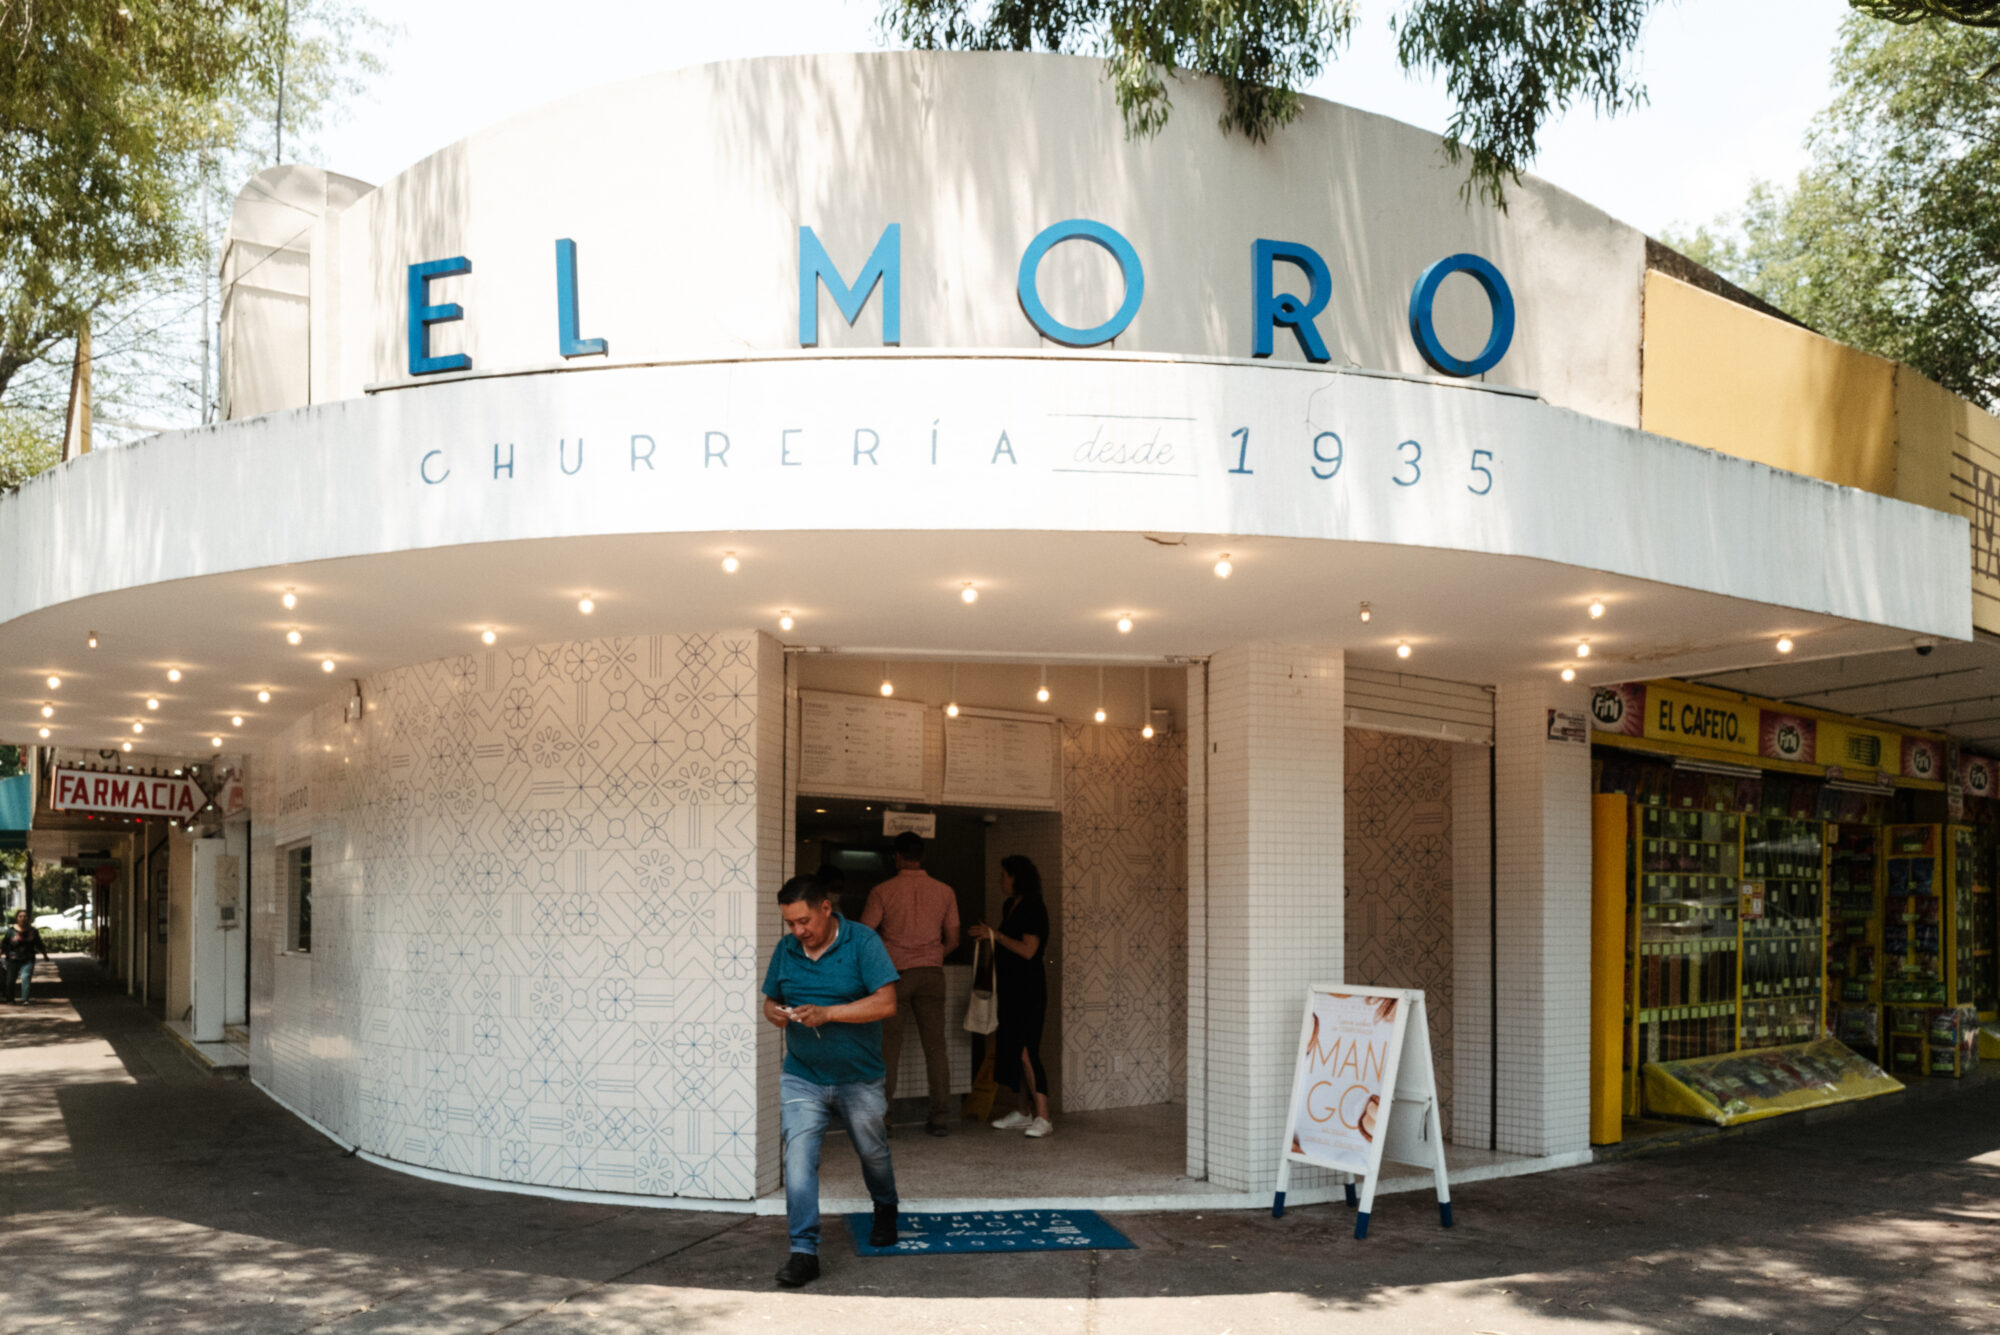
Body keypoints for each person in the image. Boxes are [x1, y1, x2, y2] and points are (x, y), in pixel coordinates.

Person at [761, 874, 902, 1288]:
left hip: (859, 1077)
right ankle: (804, 1251)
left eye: (804, 921)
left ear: (827, 908)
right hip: (802, 1074)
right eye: (790, 924)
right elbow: (770, 1000)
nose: (798, 931)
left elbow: (887, 1002)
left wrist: (828, 1013)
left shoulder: (862, 943)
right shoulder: (786, 949)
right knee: (799, 1157)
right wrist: (773, 1012)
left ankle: (886, 1207)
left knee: (872, 1151)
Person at [858, 830, 961, 1136]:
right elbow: (953, 939)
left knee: (888, 1047)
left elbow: (864, 935)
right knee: (936, 1047)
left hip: (893, 974)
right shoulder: (945, 891)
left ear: (897, 856)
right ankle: (941, 1117)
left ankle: (884, 1120)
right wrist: (930, 955)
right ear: (922, 856)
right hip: (932, 973)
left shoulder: (882, 891)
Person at [971, 855, 1052, 1138]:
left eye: (1004, 875)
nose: (1000, 880)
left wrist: (995, 935)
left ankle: (1043, 1114)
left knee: (1027, 1049)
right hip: (1009, 987)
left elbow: (1028, 950)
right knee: (1012, 1049)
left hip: (1028, 989)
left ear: (1017, 877)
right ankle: (1023, 1110)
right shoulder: (1010, 905)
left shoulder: (1034, 907)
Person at [3, 908, 52, 1005]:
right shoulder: (10, 931)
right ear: (17, 918)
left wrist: (45, 955)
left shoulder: (33, 931)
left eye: (25, 916)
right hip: (12, 958)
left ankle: (25, 999)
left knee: (26, 977)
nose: (23, 918)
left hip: (28, 958)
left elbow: (39, 944)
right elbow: (4, 944)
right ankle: (10, 999)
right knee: (10, 980)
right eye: (20, 916)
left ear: (28, 918)